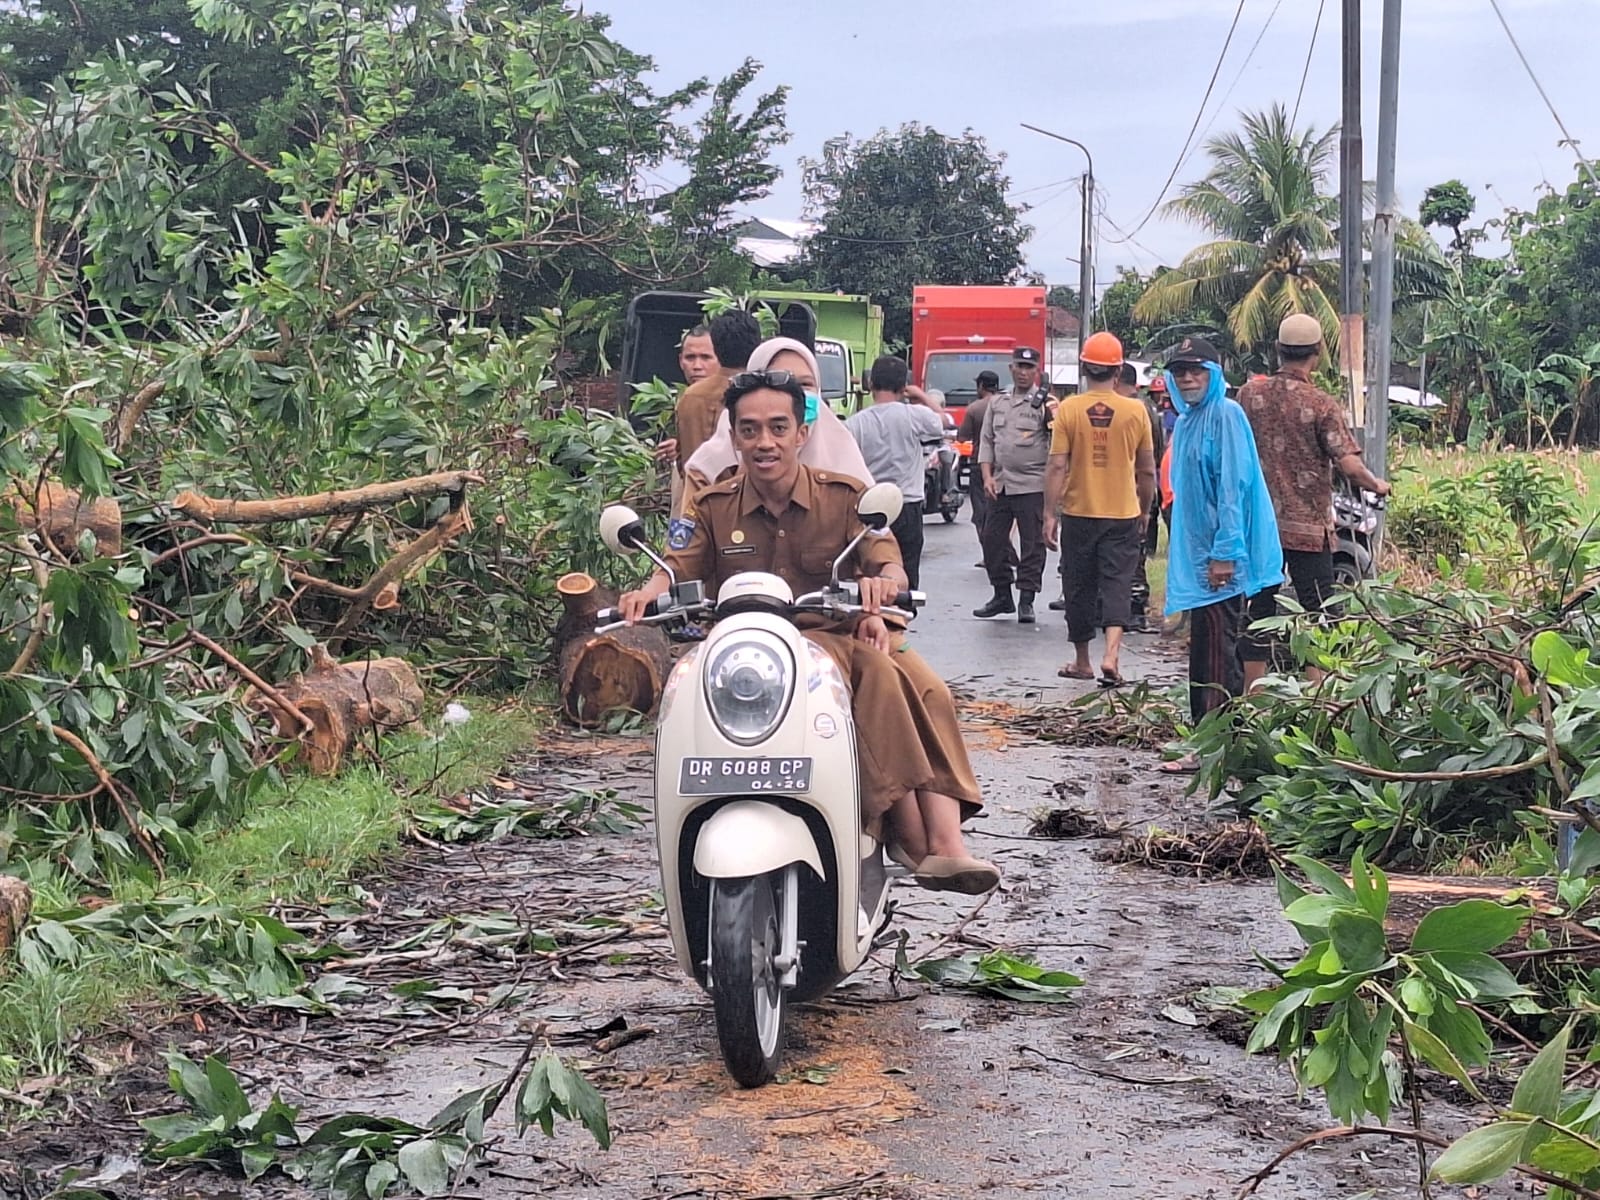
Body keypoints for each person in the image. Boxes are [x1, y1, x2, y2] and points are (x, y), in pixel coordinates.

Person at [618, 371, 1000, 894]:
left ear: (802, 432)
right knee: (875, 680)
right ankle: (909, 834)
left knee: (925, 686)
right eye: (749, 430)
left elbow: (886, 560)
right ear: (733, 437)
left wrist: (882, 590)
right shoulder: (711, 504)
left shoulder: (845, 498)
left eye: (778, 427)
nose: (764, 442)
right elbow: (676, 564)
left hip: (833, 635)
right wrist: (648, 589)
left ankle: (940, 843)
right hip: (745, 648)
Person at [1237, 313, 1392, 688]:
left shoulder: (1248, 396)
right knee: (1318, 610)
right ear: (1318, 353)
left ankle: (1250, 696)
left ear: (1278, 350)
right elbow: (1349, 465)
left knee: (1259, 610)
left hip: (1258, 525)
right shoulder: (1322, 404)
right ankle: (1319, 694)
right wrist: (1377, 484)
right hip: (1308, 527)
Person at [1158, 336, 1283, 773]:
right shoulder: (1190, 419)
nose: (1187, 378)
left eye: (1196, 370)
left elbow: (1235, 485)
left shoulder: (1226, 415)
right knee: (1206, 651)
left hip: (1220, 561)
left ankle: (1214, 749)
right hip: (1200, 561)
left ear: (1214, 374)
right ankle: (1211, 742)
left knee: (1215, 655)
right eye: (1179, 371)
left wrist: (1226, 553)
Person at [1042, 333, 1156, 686]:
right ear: (1119, 369)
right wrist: (1146, 510)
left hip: (1079, 512)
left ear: (1084, 366)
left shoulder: (1069, 409)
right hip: (1122, 513)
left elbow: (1057, 466)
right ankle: (1111, 655)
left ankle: (1082, 661)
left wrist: (1049, 513)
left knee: (1078, 586)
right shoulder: (1136, 411)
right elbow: (1147, 469)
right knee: (1118, 583)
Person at [681, 337, 873, 496]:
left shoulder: (845, 463)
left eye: (805, 385)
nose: (795, 396)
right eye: (780, 383)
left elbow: (872, 533)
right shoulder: (707, 471)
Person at [843, 356, 945, 589]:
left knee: (872, 568)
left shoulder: (855, 424)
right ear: (904, 387)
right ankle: (903, 616)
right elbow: (944, 421)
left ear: (870, 385)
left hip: (870, 507)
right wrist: (922, 397)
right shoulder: (916, 415)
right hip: (907, 506)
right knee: (906, 572)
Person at [975, 346, 1051, 623]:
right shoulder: (998, 403)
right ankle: (1002, 594)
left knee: (1032, 544)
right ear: (1011, 368)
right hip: (1001, 482)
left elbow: (1056, 445)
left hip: (1032, 483)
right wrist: (986, 477)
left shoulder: (1045, 404)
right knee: (992, 539)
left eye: (1029, 367)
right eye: (1019, 366)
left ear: (1037, 371)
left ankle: (1026, 599)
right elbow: (987, 442)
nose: (1023, 372)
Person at [670, 311, 761, 517]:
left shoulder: (689, 397)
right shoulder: (761, 396)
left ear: (717, 349)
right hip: (742, 511)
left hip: (695, 506)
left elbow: (681, 460)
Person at [1120, 364, 1167, 633]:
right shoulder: (1148, 409)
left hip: (1122, 488)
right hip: (1142, 487)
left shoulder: (1125, 409)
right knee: (1136, 550)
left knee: (1120, 552)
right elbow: (1157, 451)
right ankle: (1136, 607)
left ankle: (1125, 608)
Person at [956, 371, 1014, 572]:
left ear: (981, 386)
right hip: (1007, 466)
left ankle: (993, 555)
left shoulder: (975, 408)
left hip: (981, 467)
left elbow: (962, 437)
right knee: (1002, 513)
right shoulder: (1008, 405)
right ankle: (1004, 553)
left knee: (982, 514)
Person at [659, 325, 718, 511]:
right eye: (690, 358)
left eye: (706, 357)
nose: (697, 366)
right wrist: (678, 447)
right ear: (680, 361)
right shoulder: (683, 400)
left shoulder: (737, 398)